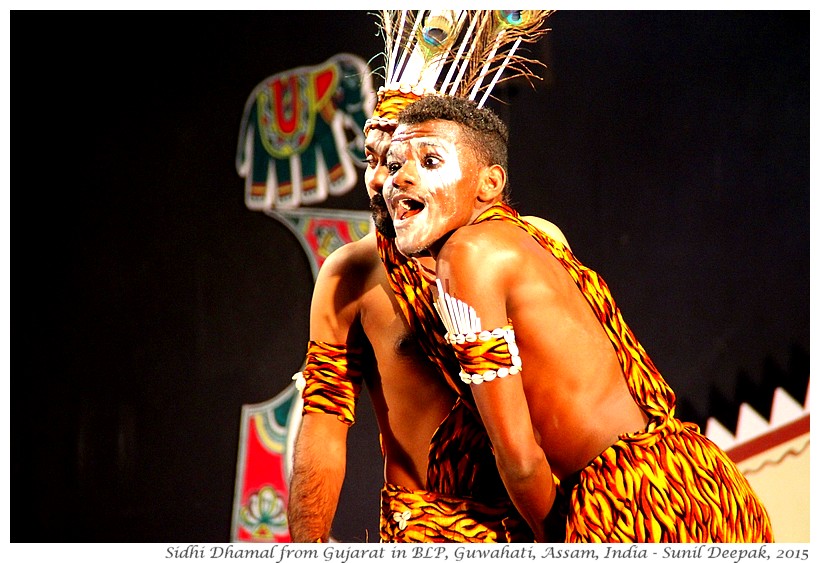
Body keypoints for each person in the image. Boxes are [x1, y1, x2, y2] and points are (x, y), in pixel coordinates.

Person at [381, 94, 774, 542]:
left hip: (631, 508)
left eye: (430, 160)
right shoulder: (536, 237)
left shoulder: (466, 255)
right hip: (700, 479)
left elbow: (521, 460)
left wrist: (553, 541)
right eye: (394, 165)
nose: (400, 177)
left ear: (489, 183)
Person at [287, 114, 539, 543]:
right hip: (425, 531)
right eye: (374, 160)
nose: (383, 179)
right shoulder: (350, 274)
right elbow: (324, 426)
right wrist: (306, 550)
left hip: (539, 520)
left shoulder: (531, 246)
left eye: (406, 160)